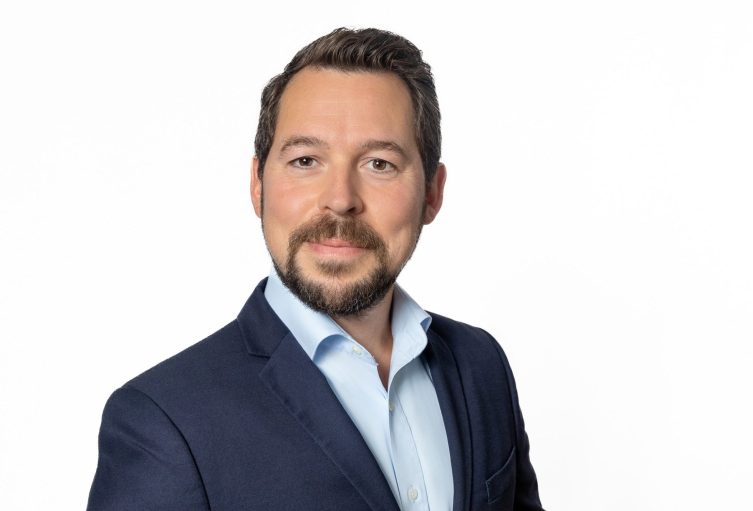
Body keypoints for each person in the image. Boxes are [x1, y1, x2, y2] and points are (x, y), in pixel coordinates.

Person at [87, 27, 544, 511]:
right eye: (305, 160)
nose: (340, 200)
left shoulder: (481, 366)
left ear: (432, 192)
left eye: (379, 164)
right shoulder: (163, 423)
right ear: (258, 185)